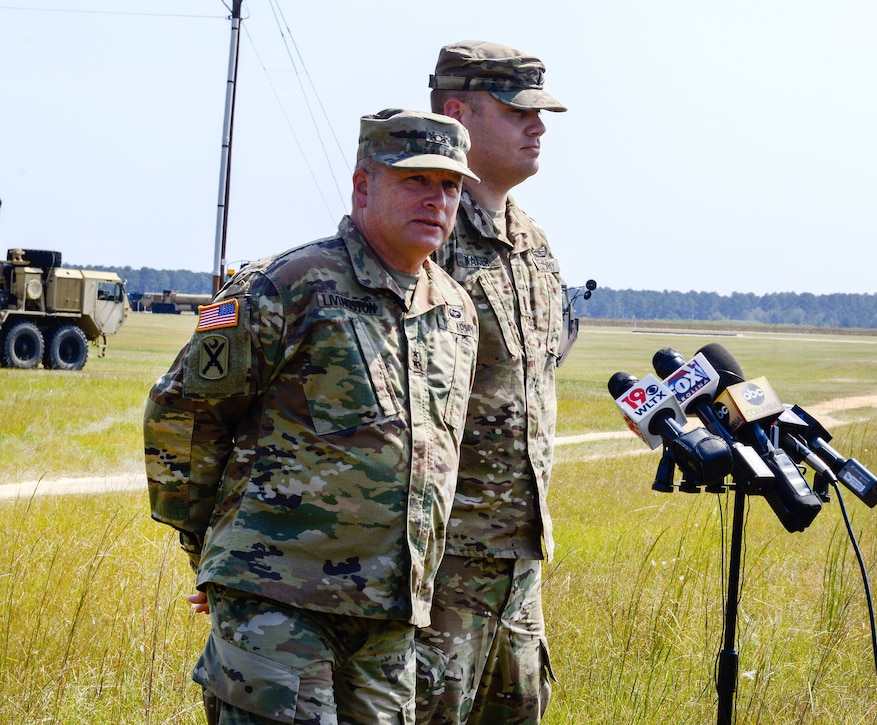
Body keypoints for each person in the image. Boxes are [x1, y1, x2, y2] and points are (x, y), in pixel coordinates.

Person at [144, 108, 480, 724]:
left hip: (388, 621)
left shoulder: (455, 311)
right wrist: (212, 557)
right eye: (415, 181)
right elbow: (183, 418)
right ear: (362, 185)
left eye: (450, 186)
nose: (436, 199)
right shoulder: (287, 285)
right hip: (277, 605)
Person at [415, 40, 569, 725]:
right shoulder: (422, 237)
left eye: (542, 113)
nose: (538, 126)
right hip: (443, 567)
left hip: (519, 561)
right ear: (458, 113)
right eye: (517, 111)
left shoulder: (533, 241)